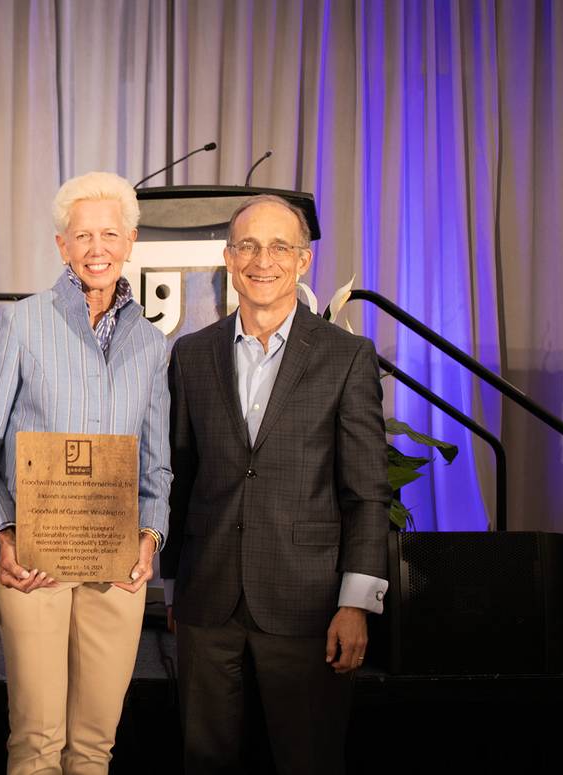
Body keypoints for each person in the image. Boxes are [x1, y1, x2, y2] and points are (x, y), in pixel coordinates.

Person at [161, 194, 391, 775]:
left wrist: (355, 604)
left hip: (308, 605)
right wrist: (174, 587)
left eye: (279, 247)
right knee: (202, 760)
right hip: (206, 603)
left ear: (303, 261)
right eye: (248, 246)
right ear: (229, 258)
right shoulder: (191, 356)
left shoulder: (347, 357)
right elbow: (181, 478)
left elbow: (365, 493)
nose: (263, 260)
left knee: (307, 760)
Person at [0, 171, 172, 774]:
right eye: (82, 235)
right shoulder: (23, 323)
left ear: (131, 241)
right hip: (34, 565)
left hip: (118, 568)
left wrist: (150, 536)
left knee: (94, 745)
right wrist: (4, 536)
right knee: (37, 740)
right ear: (62, 246)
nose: (96, 248)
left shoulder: (151, 345)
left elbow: (156, 464)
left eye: (109, 233)